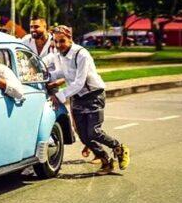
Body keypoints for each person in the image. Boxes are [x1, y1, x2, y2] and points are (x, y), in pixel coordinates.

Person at [47, 25, 128, 174]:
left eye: (62, 41)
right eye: (55, 41)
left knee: (93, 132)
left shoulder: (81, 54)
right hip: (77, 97)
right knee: (83, 136)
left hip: (93, 95)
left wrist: (59, 96)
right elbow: (62, 72)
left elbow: (80, 82)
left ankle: (118, 147)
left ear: (70, 39)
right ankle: (106, 161)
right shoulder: (58, 54)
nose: (58, 45)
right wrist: (45, 76)